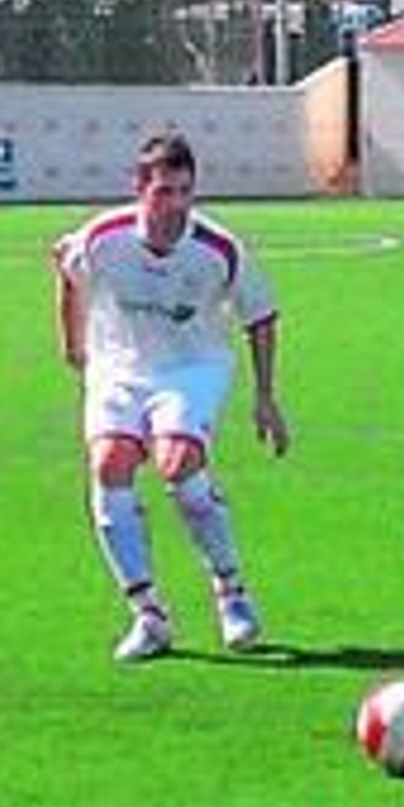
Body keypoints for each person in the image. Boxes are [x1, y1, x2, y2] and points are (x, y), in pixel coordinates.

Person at [52, 133, 290, 661]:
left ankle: (231, 592)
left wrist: (266, 396)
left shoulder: (219, 249)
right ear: (140, 189)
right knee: (109, 465)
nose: (176, 205)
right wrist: (72, 344)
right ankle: (148, 615)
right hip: (119, 367)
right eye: (164, 192)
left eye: (185, 191)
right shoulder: (103, 237)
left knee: (178, 464)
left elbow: (261, 316)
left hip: (192, 368)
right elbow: (66, 271)